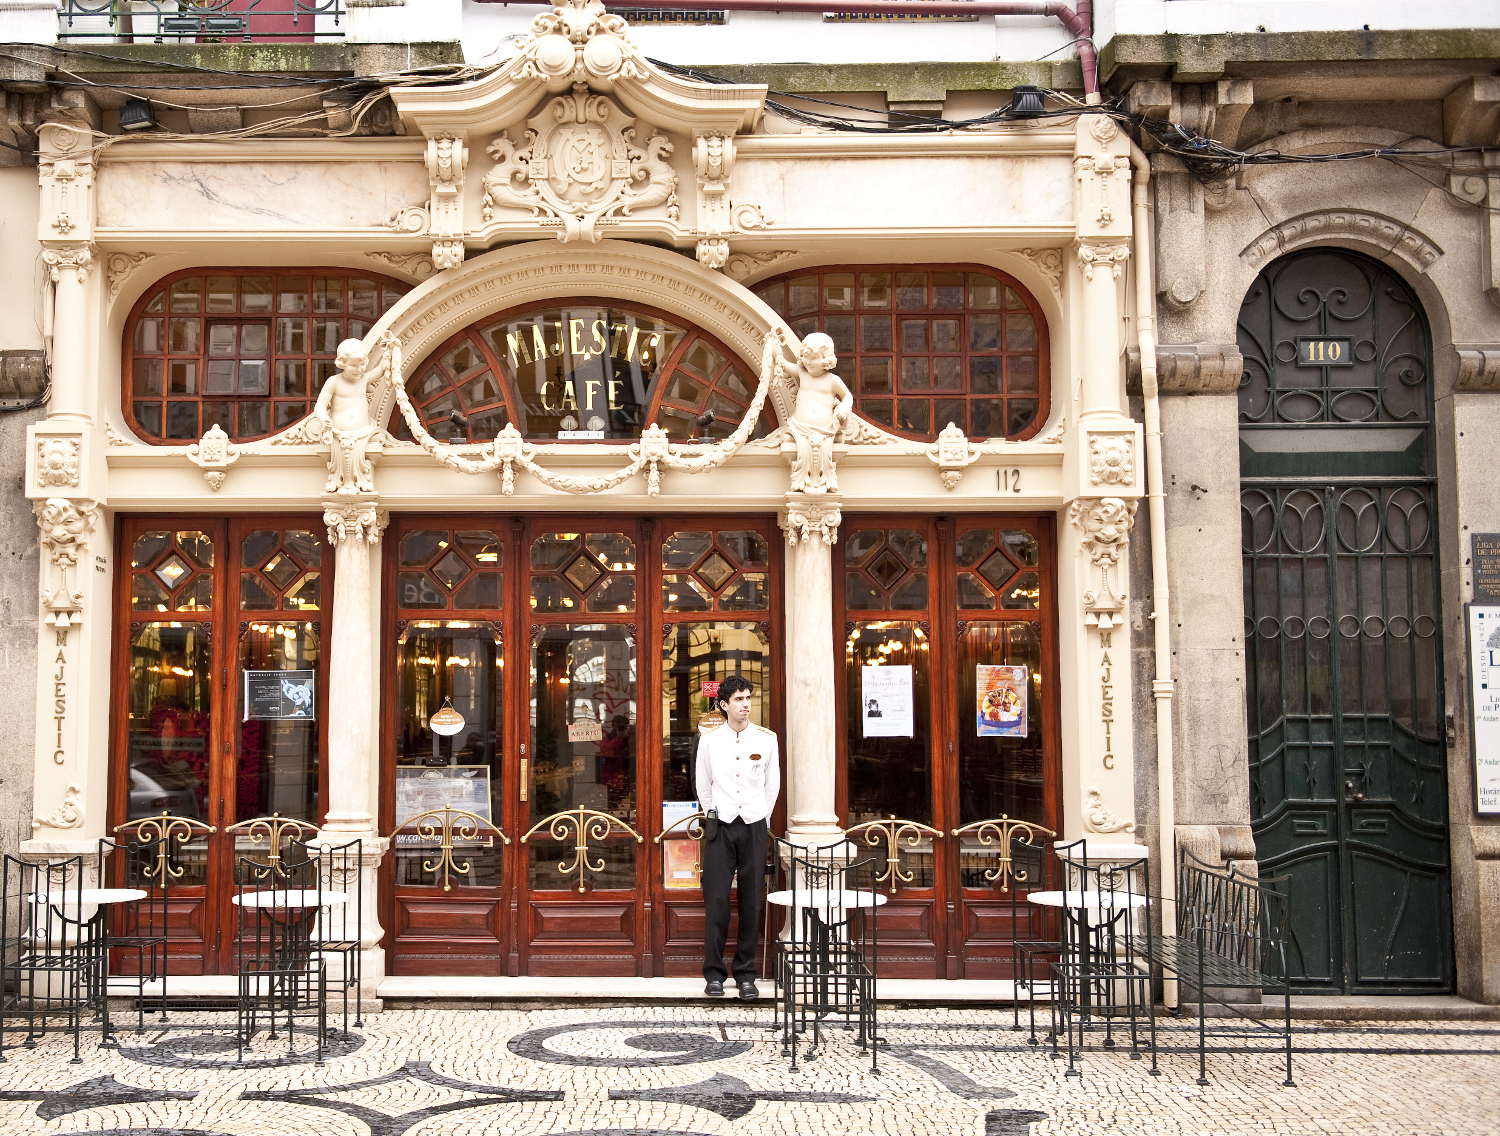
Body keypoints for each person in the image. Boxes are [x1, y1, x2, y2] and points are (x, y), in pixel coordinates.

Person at [694, 674, 779, 999]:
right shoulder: (710, 740)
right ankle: (713, 974)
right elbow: (703, 784)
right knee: (716, 900)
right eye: (739, 699)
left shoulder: (766, 739)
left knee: (750, 901)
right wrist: (714, 812)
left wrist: (762, 817)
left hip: (754, 824)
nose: (746, 704)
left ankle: (746, 974)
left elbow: (772, 785)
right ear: (724, 705)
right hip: (722, 825)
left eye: (748, 698)